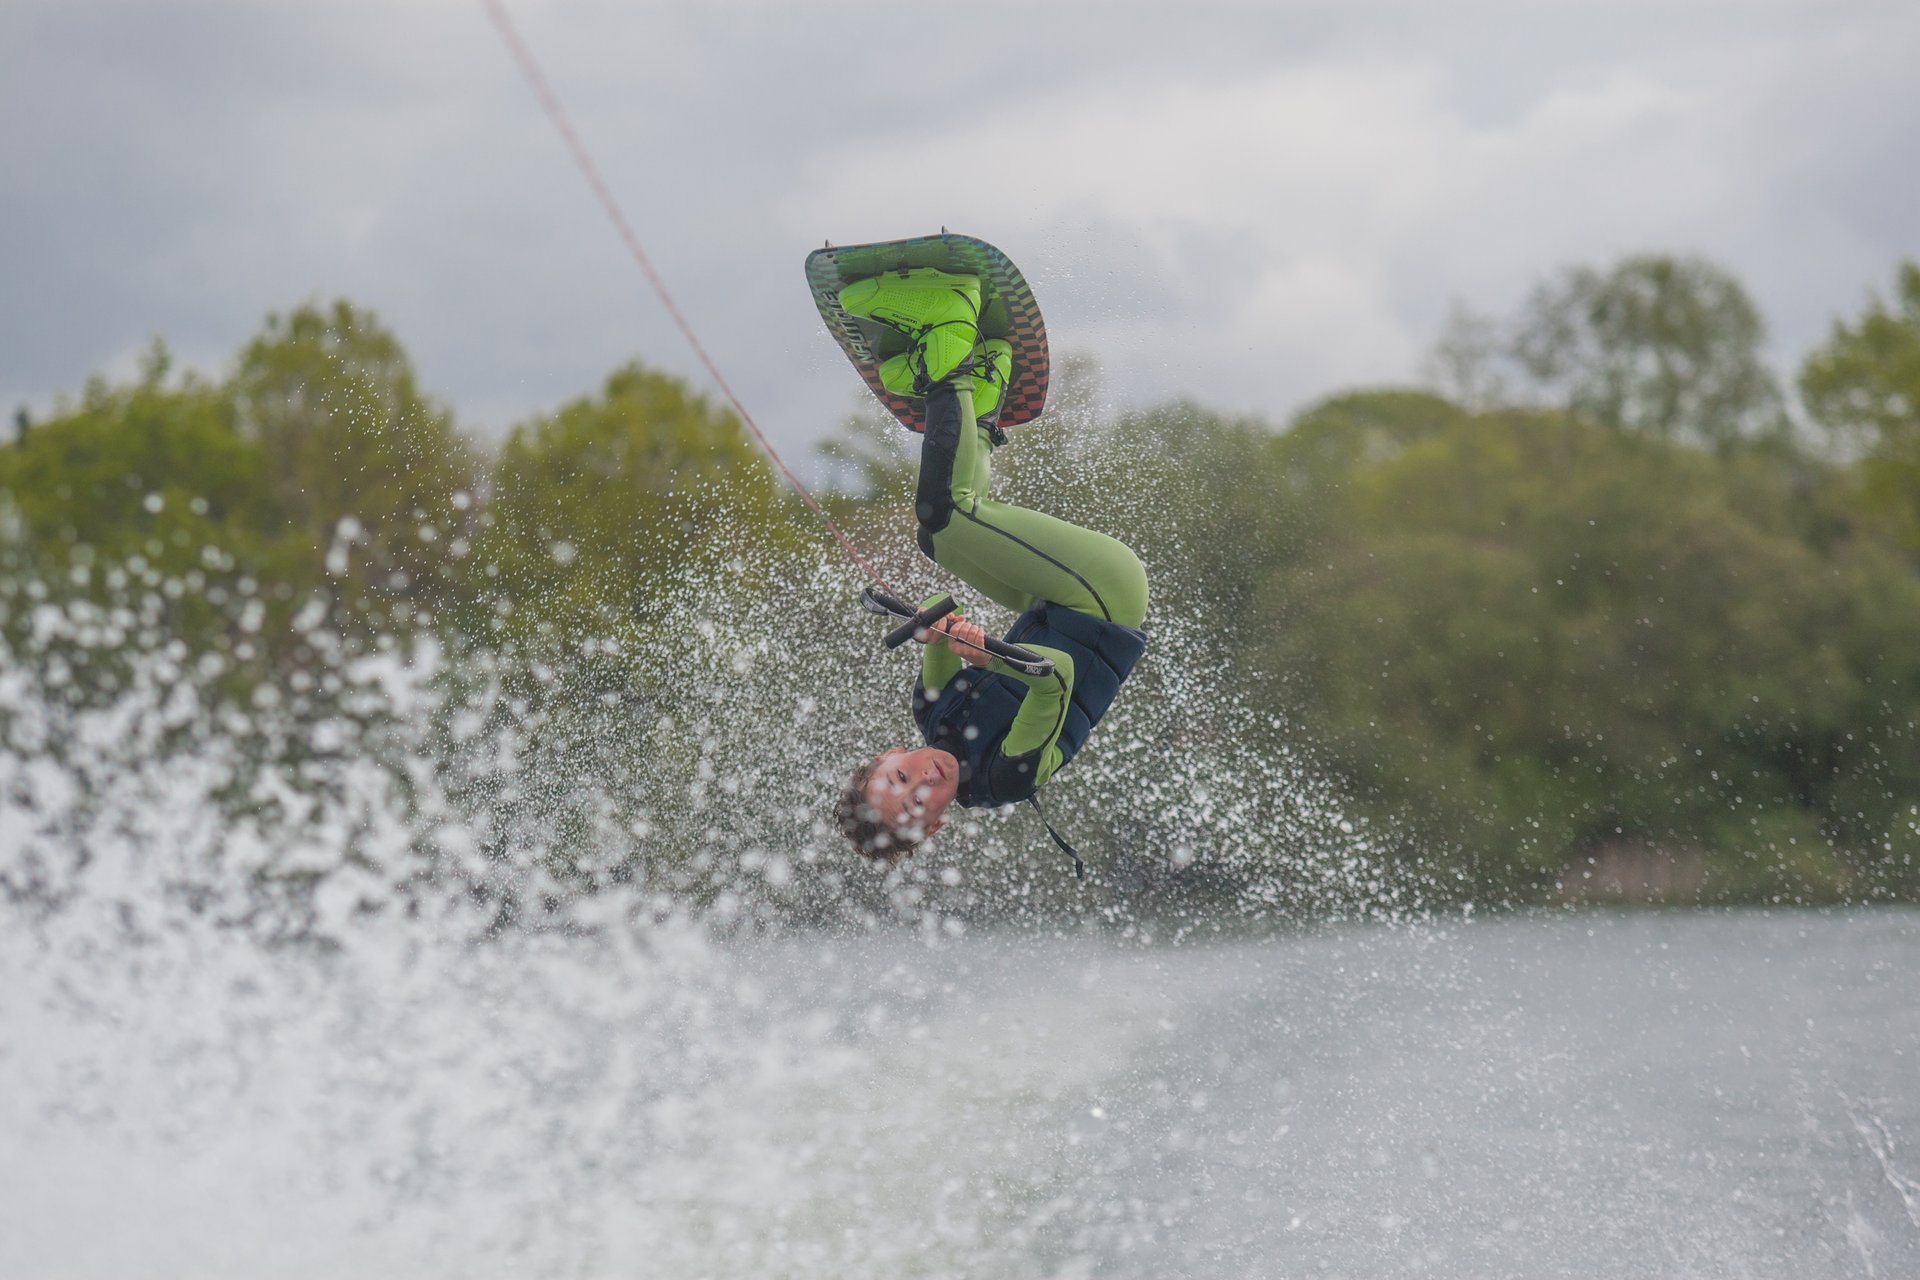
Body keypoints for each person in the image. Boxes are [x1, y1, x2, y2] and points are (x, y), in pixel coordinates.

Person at [832, 267, 1149, 866]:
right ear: (933, 830)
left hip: (1054, 600)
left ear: (889, 755)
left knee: (938, 540)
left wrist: (936, 630)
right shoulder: (1007, 777)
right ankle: (946, 333)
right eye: (918, 806)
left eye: (901, 779)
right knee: (948, 514)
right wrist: (983, 651)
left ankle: (983, 380)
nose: (924, 783)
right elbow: (1053, 677)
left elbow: (935, 622)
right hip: (1105, 596)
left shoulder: (930, 711)